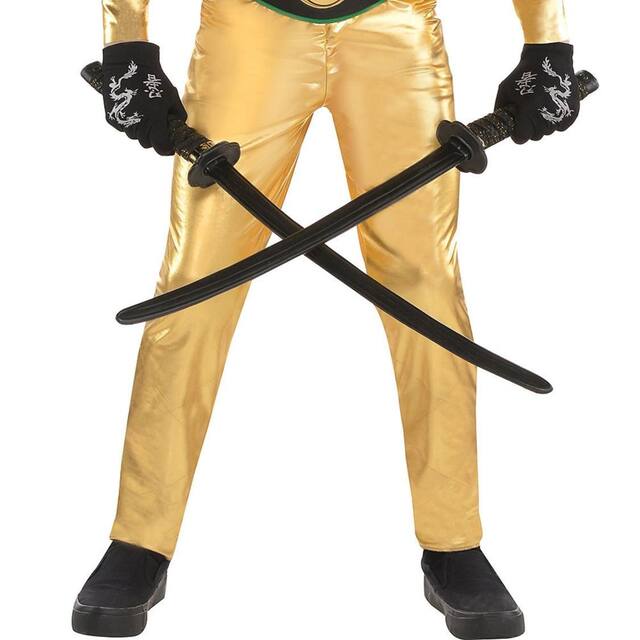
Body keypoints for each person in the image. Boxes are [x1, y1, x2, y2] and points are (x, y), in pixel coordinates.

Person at [72, 1, 580, 637]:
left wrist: (546, 42)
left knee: (426, 287)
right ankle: (139, 539)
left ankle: (454, 541)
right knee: (196, 283)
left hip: (395, 28)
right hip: (247, 28)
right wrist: (127, 42)